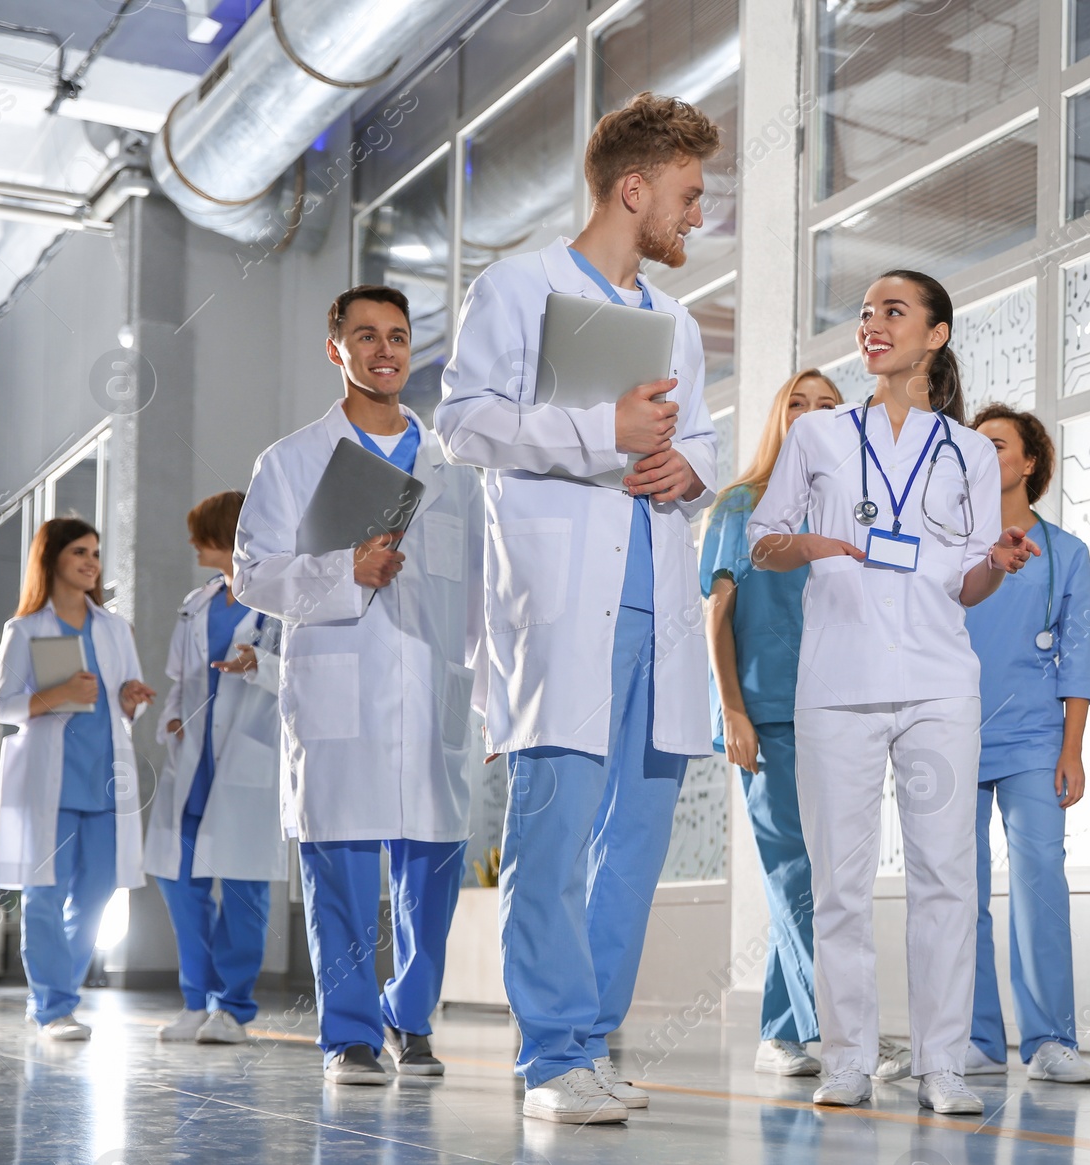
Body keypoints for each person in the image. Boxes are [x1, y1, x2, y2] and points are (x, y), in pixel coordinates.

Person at [437, 92, 719, 1124]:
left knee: (631, 849)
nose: (697, 216)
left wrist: (690, 462)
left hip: (655, 603)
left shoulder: (676, 320)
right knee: (552, 841)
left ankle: (591, 1041)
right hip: (560, 601)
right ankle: (549, 1054)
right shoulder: (517, 287)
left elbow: (709, 439)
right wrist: (602, 426)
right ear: (632, 188)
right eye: (687, 196)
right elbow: (464, 424)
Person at [748, 270, 1038, 1117]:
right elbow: (762, 541)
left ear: (936, 335)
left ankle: (942, 1063)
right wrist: (809, 541)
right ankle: (846, 1059)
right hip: (837, 684)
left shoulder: (972, 451)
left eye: (893, 311)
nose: (872, 323)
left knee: (947, 876)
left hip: (940, 685)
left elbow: (969, 583)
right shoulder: (820, 437)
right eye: (866, 312)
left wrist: (997, 561)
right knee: (838, 882)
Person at [234, 284, 485, 1085]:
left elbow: (480, 586)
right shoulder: (292, 459)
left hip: (434, 682)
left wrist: (480, 688)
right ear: (335, 348)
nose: (386, 350)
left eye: (399, 336)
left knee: (434, 862)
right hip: (341, 680)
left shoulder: (454, 466)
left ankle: (409, 1018)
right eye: (366, 335)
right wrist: (346, 568)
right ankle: (347, 1033)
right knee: (338, 862)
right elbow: (252, 575)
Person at [704, 369, 882, 1080]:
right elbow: (717, 613)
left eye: (829, 408)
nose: (813, 416)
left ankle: (782, 1032)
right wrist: (732, 710)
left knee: (825, 874)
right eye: (799, 405)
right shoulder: (740, 506)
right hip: (766, 712)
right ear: (780, 418)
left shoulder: (850, 511)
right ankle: (847, 1030)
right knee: (796, 873)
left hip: (835, 710)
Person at [962, 404, 1090, 1085]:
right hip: (951, 734)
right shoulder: (952, 546)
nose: (983, 454)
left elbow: (1079, 659)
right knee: (959, 889)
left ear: (1028, 462)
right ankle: (976, 1039)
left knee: (1040, 881)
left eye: (996, 445)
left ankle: (1050, 1038)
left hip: (1034, 739)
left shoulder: (1067, 554)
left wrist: (1071, 749)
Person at [0, 517, 155, 1040]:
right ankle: (53, 1006)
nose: (91, 562)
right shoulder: (25, 629)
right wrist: (58, 695)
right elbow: (1, 706)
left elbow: (125, 704)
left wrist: (131, 701)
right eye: (80, 551)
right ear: (53, 558)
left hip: (106, 782)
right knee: (43, 893)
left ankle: (60, 994)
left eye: (96, 554)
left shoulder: (113, 628)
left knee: (97, 894)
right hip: (50, 783)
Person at [146, 491, 286, 1046]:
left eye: (201, 533)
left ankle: (233, 1008)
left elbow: (295, 672)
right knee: (181, 882)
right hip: (193, 762)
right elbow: (182, 681)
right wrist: (173, 720)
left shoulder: (277, 600)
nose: (192, 544)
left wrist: (260, 664)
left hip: (247, 757)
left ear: (228, 536)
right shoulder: (197, 601)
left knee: (245, 891)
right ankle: (195, 1000)